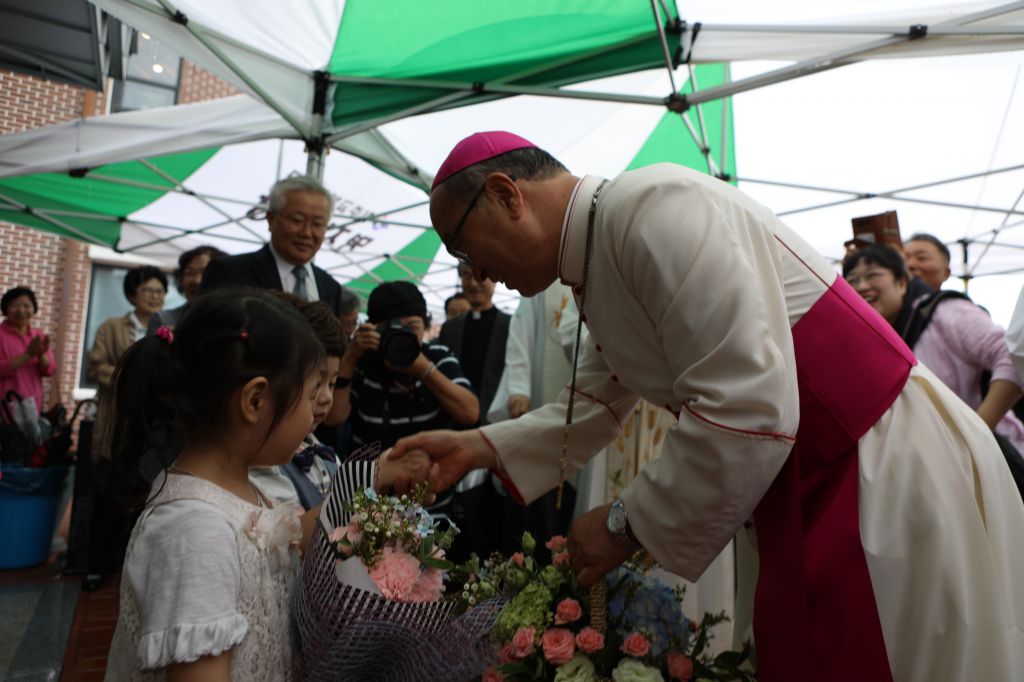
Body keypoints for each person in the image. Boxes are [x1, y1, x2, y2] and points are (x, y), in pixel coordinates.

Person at [389, 131, 1024, 681]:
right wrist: (478, 446)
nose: (475, 271)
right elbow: (593, 403)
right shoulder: (601, 249)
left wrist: (623, 523)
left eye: (462, 247)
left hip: (875, 462)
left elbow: (746, 403)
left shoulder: (653, 205)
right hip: (811, 477)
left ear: (506, 194)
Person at [102, 288, 322, 680]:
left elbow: (281, 539)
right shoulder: (194, 529)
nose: (315, 412)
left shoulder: (243, 490)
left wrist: (372, 482)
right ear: (255, 400)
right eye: (308, 395)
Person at [843, 244, 1024, 492]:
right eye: (852, 280)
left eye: (874, 275)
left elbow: (1011, 356)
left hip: (987, 468)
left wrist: (975, 433)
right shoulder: (868, 342)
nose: (862, 286)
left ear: (903, 283)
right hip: (926, 480)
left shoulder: (943, 312)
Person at [201, 175, 349, 316]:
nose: (307, 233)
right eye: (297, 220)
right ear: (271, 219)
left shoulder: (331, 287)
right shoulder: (229, 272)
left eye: (317, 224)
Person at [88, 265, 167, 460]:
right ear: (132, 295)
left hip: (155, 421)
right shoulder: (111, 327)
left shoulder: (169, 329)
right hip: (115, 416)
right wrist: (133, 378)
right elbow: (96, 367)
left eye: (159, 291)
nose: (154, 296)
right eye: (147, 290)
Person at [438, 263, 510, 424]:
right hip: (453, 418)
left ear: (494, 279)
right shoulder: (449, 328)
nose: (473, 283)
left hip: (495, 419)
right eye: (466, 275)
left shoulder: (511, 325)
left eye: (481, 276)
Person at [0, 286, 56, 414]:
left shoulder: (38, 336)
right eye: (14, 305)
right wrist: (28, 355)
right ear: (5, 309)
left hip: (33, 406)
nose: (21, 310)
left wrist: (41, 355)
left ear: (33, 308)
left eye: (26, 306)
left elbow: (50, 370)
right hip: (4, 409)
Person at [148, 245, 226, 331]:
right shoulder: (163, 320)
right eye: (190, 273)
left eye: (205, 273)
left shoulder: (237, 320)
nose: (196, 281)